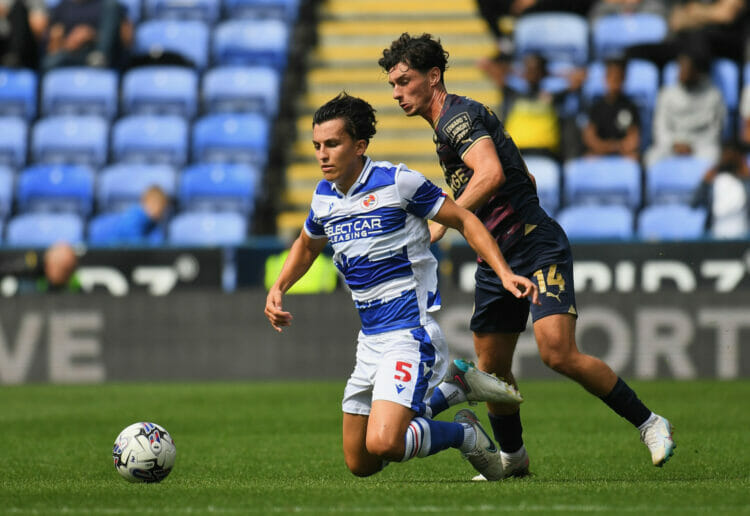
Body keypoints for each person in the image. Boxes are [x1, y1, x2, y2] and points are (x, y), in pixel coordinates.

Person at [378, 33, 676, 478]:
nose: (398, 93)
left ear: (433, 76)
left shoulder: (455, 119)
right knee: (492, 369)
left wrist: (443, 220)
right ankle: (514, 458)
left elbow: (492, 173)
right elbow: (519, 172)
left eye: (404, 81)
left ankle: (650, 423)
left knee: (558, 353)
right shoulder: (457, 119)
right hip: (496, 256)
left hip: (535, 245)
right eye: (393, 85)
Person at [264, 93, 537, 480]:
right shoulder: (324, 197)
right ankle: (454, 387)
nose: (322, 154)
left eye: (332, 144)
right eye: (317, 146)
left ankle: (465, 435)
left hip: (410, 335)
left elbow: (464, 219)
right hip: (370, 342)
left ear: (359, 146)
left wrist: (505, 272)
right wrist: (279, 287)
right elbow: (308, 244)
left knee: (386, 443)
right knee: (362, 463)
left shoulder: (397, 182)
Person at [644, 48, 725, 168]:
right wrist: (674, 144)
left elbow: (715, 131)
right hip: (672, 144)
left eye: (688, 69)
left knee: (714, 156)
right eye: (681, 68)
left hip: (700, 146)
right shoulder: (667, 95)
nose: (683, 73)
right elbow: (660, 128)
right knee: (651, 158)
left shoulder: (713, 96)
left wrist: (692, 146)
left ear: (698, 71)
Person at [42, 0, 129, 71]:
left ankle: (99, 56)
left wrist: (91, 35)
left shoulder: (108, 5)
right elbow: (51, 45)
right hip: (73, 53)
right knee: (49, 63)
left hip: (100, 52)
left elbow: (126, 39)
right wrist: (69, 43)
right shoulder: (63, 6)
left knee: (111, 6)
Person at [581, 57, 641, 160]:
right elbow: (590, 137)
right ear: (605, 79)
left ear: (624, 79)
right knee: (587, 160)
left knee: (634, 159)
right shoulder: (596, 107)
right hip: (600, 152)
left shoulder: (631, 107)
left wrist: (618, 147)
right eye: (612, 77)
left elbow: (634, 139)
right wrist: (605, 147)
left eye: (618, 78)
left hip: (623, 152)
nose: (615, 82)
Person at [691, 143, 750, 238]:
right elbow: (694, 204)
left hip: (742, 231)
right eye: (726, 156)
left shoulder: (745, 181)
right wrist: (704, 183)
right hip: (717, 231)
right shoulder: (714, 180)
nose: (729, 159)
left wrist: (747, 178)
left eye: (733, 156)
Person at [93, 186, 169, 246]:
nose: (158, 209)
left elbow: (157, 244)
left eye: (161, 206)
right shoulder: (133, 218)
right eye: (154, 203)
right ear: (145, 201)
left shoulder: (154, 224)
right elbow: (134, 247)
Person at [0, 241, 80, 294]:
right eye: (61, 268)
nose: (63, 272)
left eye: (66, 270)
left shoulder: (76, 287)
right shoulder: (28, 274)